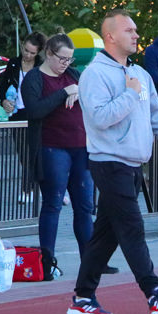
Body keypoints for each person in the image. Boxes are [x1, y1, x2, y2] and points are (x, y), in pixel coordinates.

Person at [68, 9, 158, 314]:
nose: (136, 35)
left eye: (136, 30)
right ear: (110, 36)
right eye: (129, 30)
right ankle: (154, 294)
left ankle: (83, 297)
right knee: (132, 228)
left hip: (133, 164)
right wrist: (128, 94)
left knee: (106, 236)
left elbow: (156, 116)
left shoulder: (140, 74)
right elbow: (99, 118)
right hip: (109, 163)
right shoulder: (95, 75)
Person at [20, 33, 118, 275]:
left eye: (70, 60)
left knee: (84, 206)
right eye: (63, 59)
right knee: (53, 203)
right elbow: (34, 111)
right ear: (49, 54)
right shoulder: (34, 78)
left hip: (80, 148)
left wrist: (77, 90)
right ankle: (46, 261)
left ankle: (93, 260)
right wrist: (64, 92)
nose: (66, 64)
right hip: (51, 147)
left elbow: (93, 98)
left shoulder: (74, 75)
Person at [0, 32, 47, 201]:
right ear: (22, 45)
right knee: (23, 153)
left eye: (32, 53)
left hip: (34, 114)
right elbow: (2, 86)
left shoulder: (41, 66)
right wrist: (3, 100)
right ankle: (33, 186)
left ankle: (28, 189)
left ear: (38, 53)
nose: (27, 55)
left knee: (33, 152)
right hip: (16, 113)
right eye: (26, 50)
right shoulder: (13, 63)